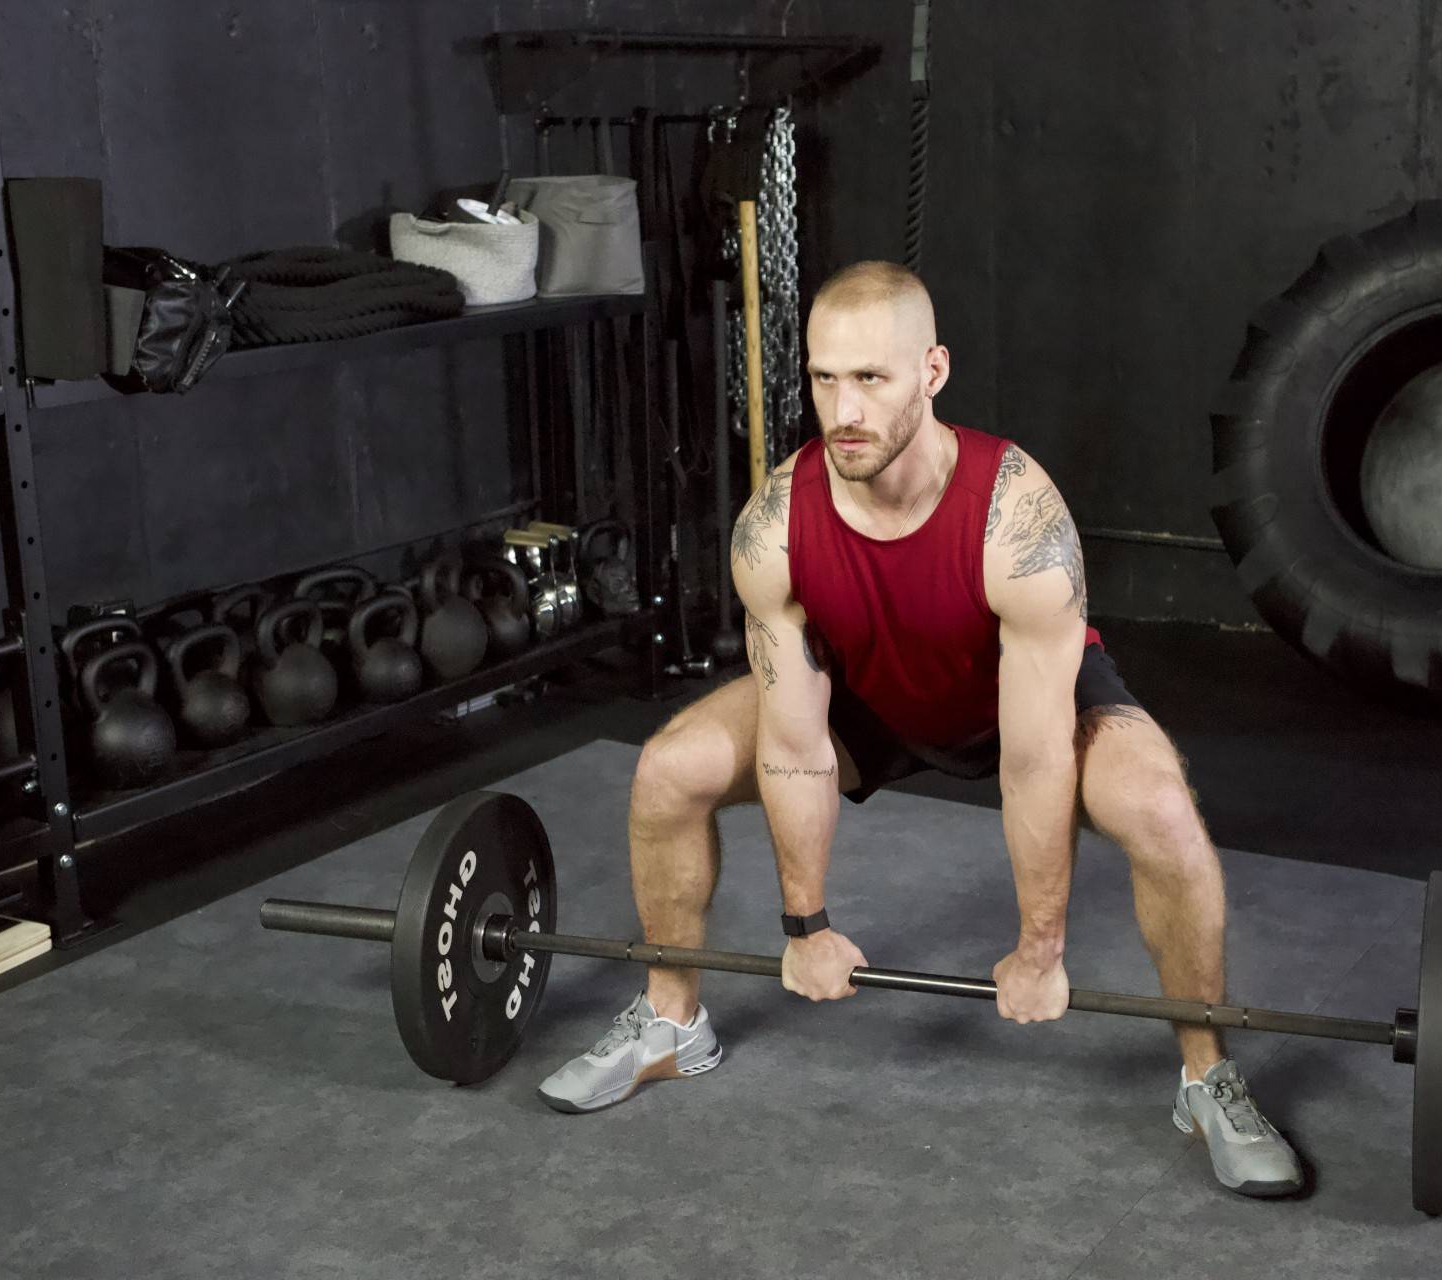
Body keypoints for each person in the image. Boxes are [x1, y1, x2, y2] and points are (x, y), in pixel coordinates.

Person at [537, 260, 1302, 1199]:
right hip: (867, 694)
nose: (843, 408)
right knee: (667, 771)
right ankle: (670, 1020)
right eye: (824, 378)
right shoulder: (773, 526)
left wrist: (1040, 949)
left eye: (872, 377)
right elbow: (794, 743)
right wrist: (807, 925)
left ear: (933, 372)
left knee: (1160, 813)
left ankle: (1205, 1072)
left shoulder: (1017, 516)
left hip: (1021, 701)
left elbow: (1029, 759)